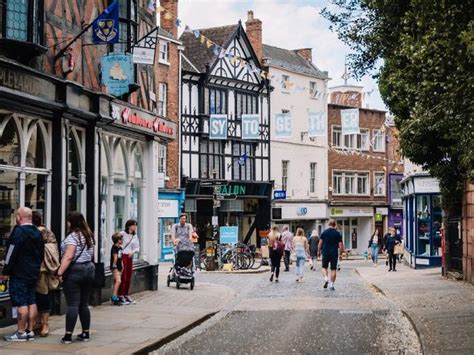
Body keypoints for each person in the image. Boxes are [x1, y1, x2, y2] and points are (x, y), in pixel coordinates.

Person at [2, 207, 44, 342]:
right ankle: (30, 330)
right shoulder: (37, 232)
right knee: (31, 300)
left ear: (19, 217)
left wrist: (5, 270)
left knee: (21, 302)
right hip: (33, 272)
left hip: (19, 272)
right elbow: (42, 253)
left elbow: (11, 252)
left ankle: (20, 332)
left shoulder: (19, 232)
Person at [56, 212, 95, 344]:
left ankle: (68, 336)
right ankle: (85, 333)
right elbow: (91, 254)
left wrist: (60, 272)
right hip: (89, 269)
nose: (67, 223)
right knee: (84, 303)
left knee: (72, 304)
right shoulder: (89, 235)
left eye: (68, 221)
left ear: (72, 222)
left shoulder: (73, 237)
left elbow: (69, 256)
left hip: (75, 271)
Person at [32, 211, 60, 337]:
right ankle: (39, 323)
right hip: (38, 270)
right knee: (40, 297)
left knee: (42, 296)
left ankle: (44, 324)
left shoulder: (40, 232)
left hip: (41, 271)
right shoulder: (46, 231)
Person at [318, 219, 344, 291]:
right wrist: (341, 254)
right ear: (335, 224)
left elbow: (320, 243)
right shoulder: (337, 234)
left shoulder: (324, 232)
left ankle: (326, 278)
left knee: (324, 267)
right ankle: (331, 285)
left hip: (325, 252)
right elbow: (340, 245)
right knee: (333, 269)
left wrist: (318, 251)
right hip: (334, 253)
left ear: (328, 224)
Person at [119, 220, 139, 305]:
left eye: (135, 225)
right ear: (129, 226)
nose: (135, 227)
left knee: (129, 275)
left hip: (130, 257)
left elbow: (137, 247)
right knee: (123, 275)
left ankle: (126, 294)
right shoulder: (122, 234)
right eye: (133, 225)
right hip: (122, 255)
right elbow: (116, 243)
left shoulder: (134, 236)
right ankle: (120, 295)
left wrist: (133, 252)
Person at [110, 233, 125, 306]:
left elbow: (120, 258)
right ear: (118, 240)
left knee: (116, 281)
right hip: (115, 267)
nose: (122, 240)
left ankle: (115, 296)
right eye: (121, 239)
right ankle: (114, 297)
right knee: (118, 281)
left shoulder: (120, 248)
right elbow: (115, 257)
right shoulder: (114, 248)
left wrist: (122, 266)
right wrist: (114, 265)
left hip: (119, 267)